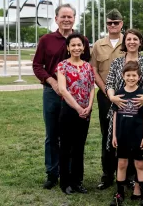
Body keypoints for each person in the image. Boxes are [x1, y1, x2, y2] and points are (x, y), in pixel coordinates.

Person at [33, 4, 90, 189]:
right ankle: (52, 173)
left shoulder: (82, 40)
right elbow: (37, 66)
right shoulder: (46, 40)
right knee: (52, 134)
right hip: (52, 93)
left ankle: (71, 174)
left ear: (74, 18)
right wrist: (52, 81)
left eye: (70, 16)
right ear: (56, 18)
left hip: (76, 96)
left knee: (73, 136)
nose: (66, 19)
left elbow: (85, 64)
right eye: (63, 16)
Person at [106, 28, 143, 198]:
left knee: (140, 150)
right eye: (129, 39)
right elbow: (109, 84)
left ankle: (138, 186)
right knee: (121, 149)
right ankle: (121, 185)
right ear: (124, 42)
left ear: (140, 42)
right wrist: (112, 98)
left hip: (140, 114)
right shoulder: (116, 63)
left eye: (135, 39)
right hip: (120, 114)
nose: (132, 42)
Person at [56, 33, 95, 194]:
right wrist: (78, 108)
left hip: (86, 112)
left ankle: (78, 181)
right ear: (68, 48)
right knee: (66, 147)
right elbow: (63, 90)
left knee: (79, 148)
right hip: (69, 111)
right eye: (73, 45)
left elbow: (92, 87)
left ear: (83, 47)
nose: (76, 48)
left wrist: (89, 106)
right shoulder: (62, 66)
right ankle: (65, 183)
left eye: (79, 45)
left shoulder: (87, 66)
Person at [110, 61, 143, 206]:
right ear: (123, 76)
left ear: (139, 77)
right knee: (121, 163)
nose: (131, 78)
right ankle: (119, 194)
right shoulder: (119, 94)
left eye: (134, 75)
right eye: (128, 75)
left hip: (138, 136)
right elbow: (115, 115)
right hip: (122, 135)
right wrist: (114, 135)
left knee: (140, 164)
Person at [90, 8, 124, 190]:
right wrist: (106, 91)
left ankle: (129, 174)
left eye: (116, 23)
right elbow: (93, 70)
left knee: (126, 135)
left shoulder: (130, 41)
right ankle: (108, 174)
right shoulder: (98, 45)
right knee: (107, 135)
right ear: (106, 24)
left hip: (126, 96)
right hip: (105, 97)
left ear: (122, 24)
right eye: (110, 23)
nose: (113, 25)